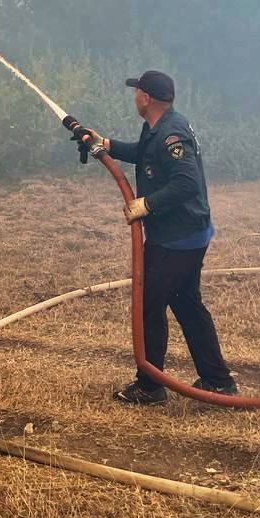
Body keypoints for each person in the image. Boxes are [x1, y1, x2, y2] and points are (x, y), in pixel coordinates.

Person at [81, 70, 237, 405]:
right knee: (187, 304)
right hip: (185, 234)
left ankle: (150, 386)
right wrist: (106, 145)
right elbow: (144, 153)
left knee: (149, 307)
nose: (134, 96)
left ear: (146, 98)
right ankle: (217, 381)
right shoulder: (159, 126)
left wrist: (146, 204)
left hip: (175, 239)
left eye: (136, 91)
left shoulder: (171, 134)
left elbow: (187, 183)